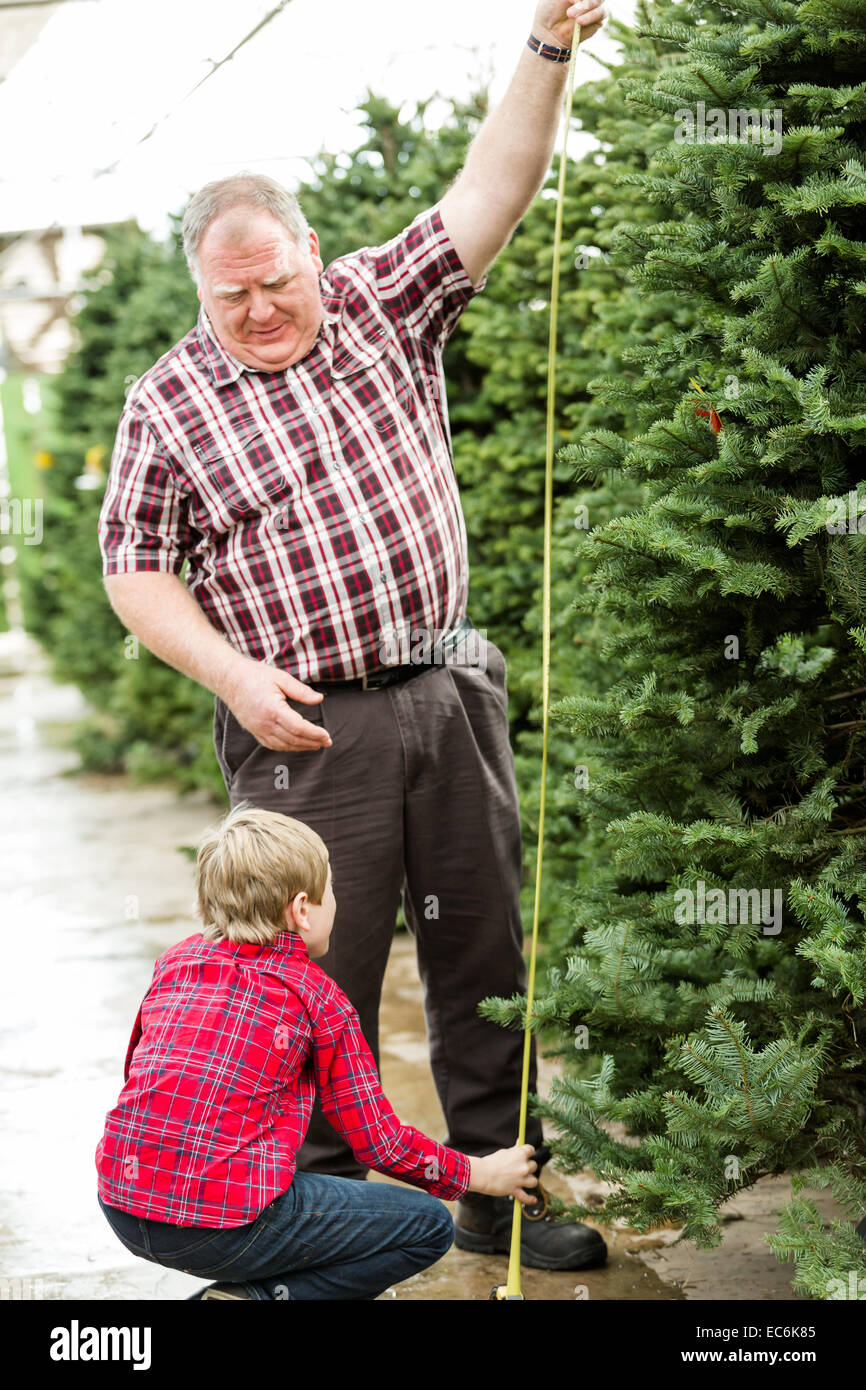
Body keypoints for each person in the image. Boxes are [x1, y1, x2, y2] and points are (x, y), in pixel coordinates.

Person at [97, 0, 608, 1269]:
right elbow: (133, 570)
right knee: (303, 987)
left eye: (277, 279)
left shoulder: (385, 302)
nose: (262, 307)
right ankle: (310, 1226)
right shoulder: (166, 402)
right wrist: (230, 672)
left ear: (313, 250)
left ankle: (502, 1191)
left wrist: (544, 47)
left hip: (449, 689)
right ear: (197, 290)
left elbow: (494, 185)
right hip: (303, 726)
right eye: (232, 296)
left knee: (483, 949)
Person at [96, 805, 541, 1300]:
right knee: (428, 1227)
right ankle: (255, 1299)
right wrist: (478, 1173)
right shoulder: (318, 998)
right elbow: (380, 1144)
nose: (337, 901)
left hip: (120, 1203)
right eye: (333, 890)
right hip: (224, 1222)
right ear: (303, 909)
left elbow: (140, 1073)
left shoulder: (177, 962)